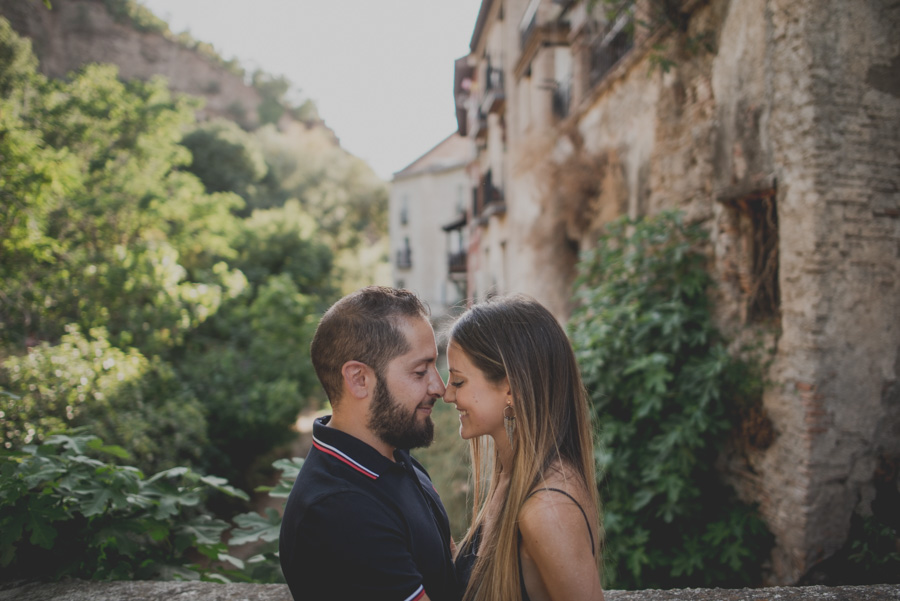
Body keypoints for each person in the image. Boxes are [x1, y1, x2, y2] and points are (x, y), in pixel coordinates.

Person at [279, 286, 459, 601]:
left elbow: (447, 563)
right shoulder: (340, 510)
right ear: (359, 379)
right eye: (420, 372)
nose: (440, 388)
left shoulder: (391, 456)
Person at [444, 295, 604, 601]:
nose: (447, 395)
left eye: (459, 382)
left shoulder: (547, 508)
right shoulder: (512, 474)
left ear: (510, 388)